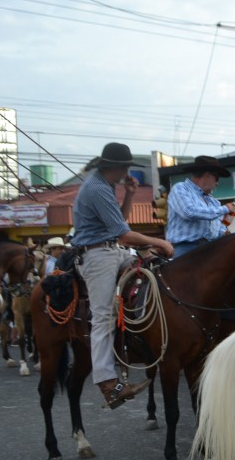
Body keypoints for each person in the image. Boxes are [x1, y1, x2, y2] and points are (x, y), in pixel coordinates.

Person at [71, 143, 174, 408]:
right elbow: (124, 234)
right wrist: (160, 242)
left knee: (154, 268)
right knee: (103, 315)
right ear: (114, 167)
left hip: (111, 251)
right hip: (97, 256)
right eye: (125, 167)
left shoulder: (103, 185)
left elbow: (119, 224)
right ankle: (108, 383)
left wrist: (129, 195)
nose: (127, 171)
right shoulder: (96, 189)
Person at [165, 156, 235, 257]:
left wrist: (225, 233)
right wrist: (225, 209)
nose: (217, 183)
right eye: (217, 178)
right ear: (207, 175)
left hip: (210, 248)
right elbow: (189, 212)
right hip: (185, 248)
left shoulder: (213, 202)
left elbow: (217, 229)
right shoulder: (180, 188)